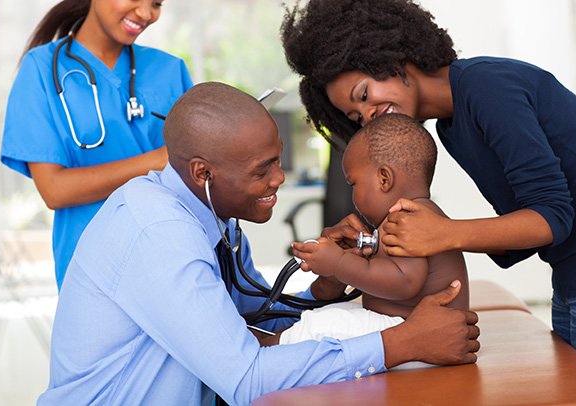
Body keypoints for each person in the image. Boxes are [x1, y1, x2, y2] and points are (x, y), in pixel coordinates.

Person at [37, 82, 480, 405]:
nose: (279, 179)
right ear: (203, 174)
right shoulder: (159, 234)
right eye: (261, 170)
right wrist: (404, 343)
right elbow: (246, 375)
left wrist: (322, 293)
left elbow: (247, 317)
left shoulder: (214, 219)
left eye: (278, 160)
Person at [280, 0, 576, 392]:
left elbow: (552, 218)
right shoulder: (451, 126)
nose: (368, 115)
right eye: (356, 117)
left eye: (364, 94)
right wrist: (383, 245)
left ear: (388, 58)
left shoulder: (486, 87)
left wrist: (443, 234)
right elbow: (521, 234)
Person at [0, 0, 193, 290]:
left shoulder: (169, 69)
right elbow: (54, 190)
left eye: (156, 3)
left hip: (173, 253)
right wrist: (158, 161)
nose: (145, 13)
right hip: (92, 266)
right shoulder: (40, 69)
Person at [284, 113, 468, 346]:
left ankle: (263, 348)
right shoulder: (416, 214)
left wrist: (339, 264)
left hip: (418, 331)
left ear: (384, 179)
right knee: (331, 313)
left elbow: (405, 281)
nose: (353, 195)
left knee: (319, 325)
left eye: (354, 184)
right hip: (410, 326)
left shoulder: (406, 219)